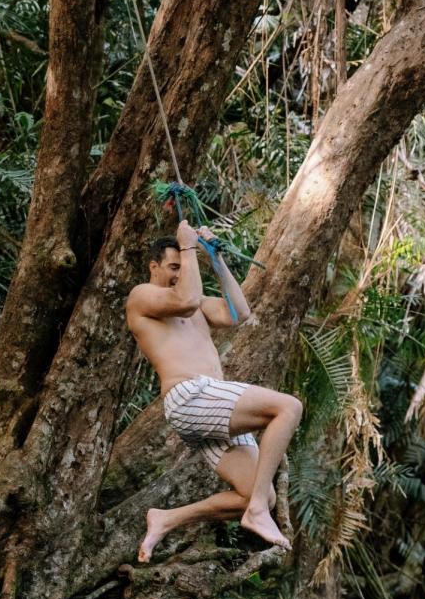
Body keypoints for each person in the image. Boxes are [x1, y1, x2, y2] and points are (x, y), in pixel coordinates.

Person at [126, 219, 302, 562]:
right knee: (288, 407)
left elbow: (239, 312)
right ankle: (255, 513)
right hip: (190, 396)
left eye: (182, 267)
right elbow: (186, 299)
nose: (179, 273)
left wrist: (215, 257)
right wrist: (188, 244)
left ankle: (166, 518)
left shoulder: (196, 304)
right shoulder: (143, 296)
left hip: (212, 404)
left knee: (261, 495)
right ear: (154, 266)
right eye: (173, 266)